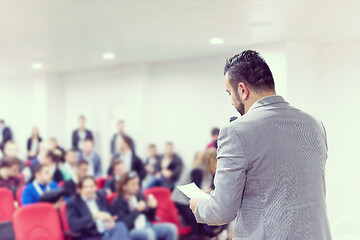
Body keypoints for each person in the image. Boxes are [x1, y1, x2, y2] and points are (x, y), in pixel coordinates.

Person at [189, 50, 331, 239]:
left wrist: (199, 204)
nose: (231, 101)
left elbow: (221, 211)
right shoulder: (314, 124)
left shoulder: (236, 131)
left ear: (242, 90)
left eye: (229, 93)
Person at [112, 171, 178, 240]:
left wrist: (152, 208)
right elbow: (124, 225)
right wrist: (137, 210)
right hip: (131, 230)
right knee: (149, 233)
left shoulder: (139, 195)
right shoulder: (118, 202)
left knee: (171, 228)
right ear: (124, 186)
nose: (137, 187)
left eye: (137, 184)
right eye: (133, 184)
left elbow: (150, 216)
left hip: (147, 226)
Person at [172, 149, 221, 237]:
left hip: (187, 198)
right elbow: (196, 191)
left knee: (200, 222)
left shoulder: (205, 171)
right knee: (195, 223)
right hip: (181, 199)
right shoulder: (198, 170)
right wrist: (209, 191)